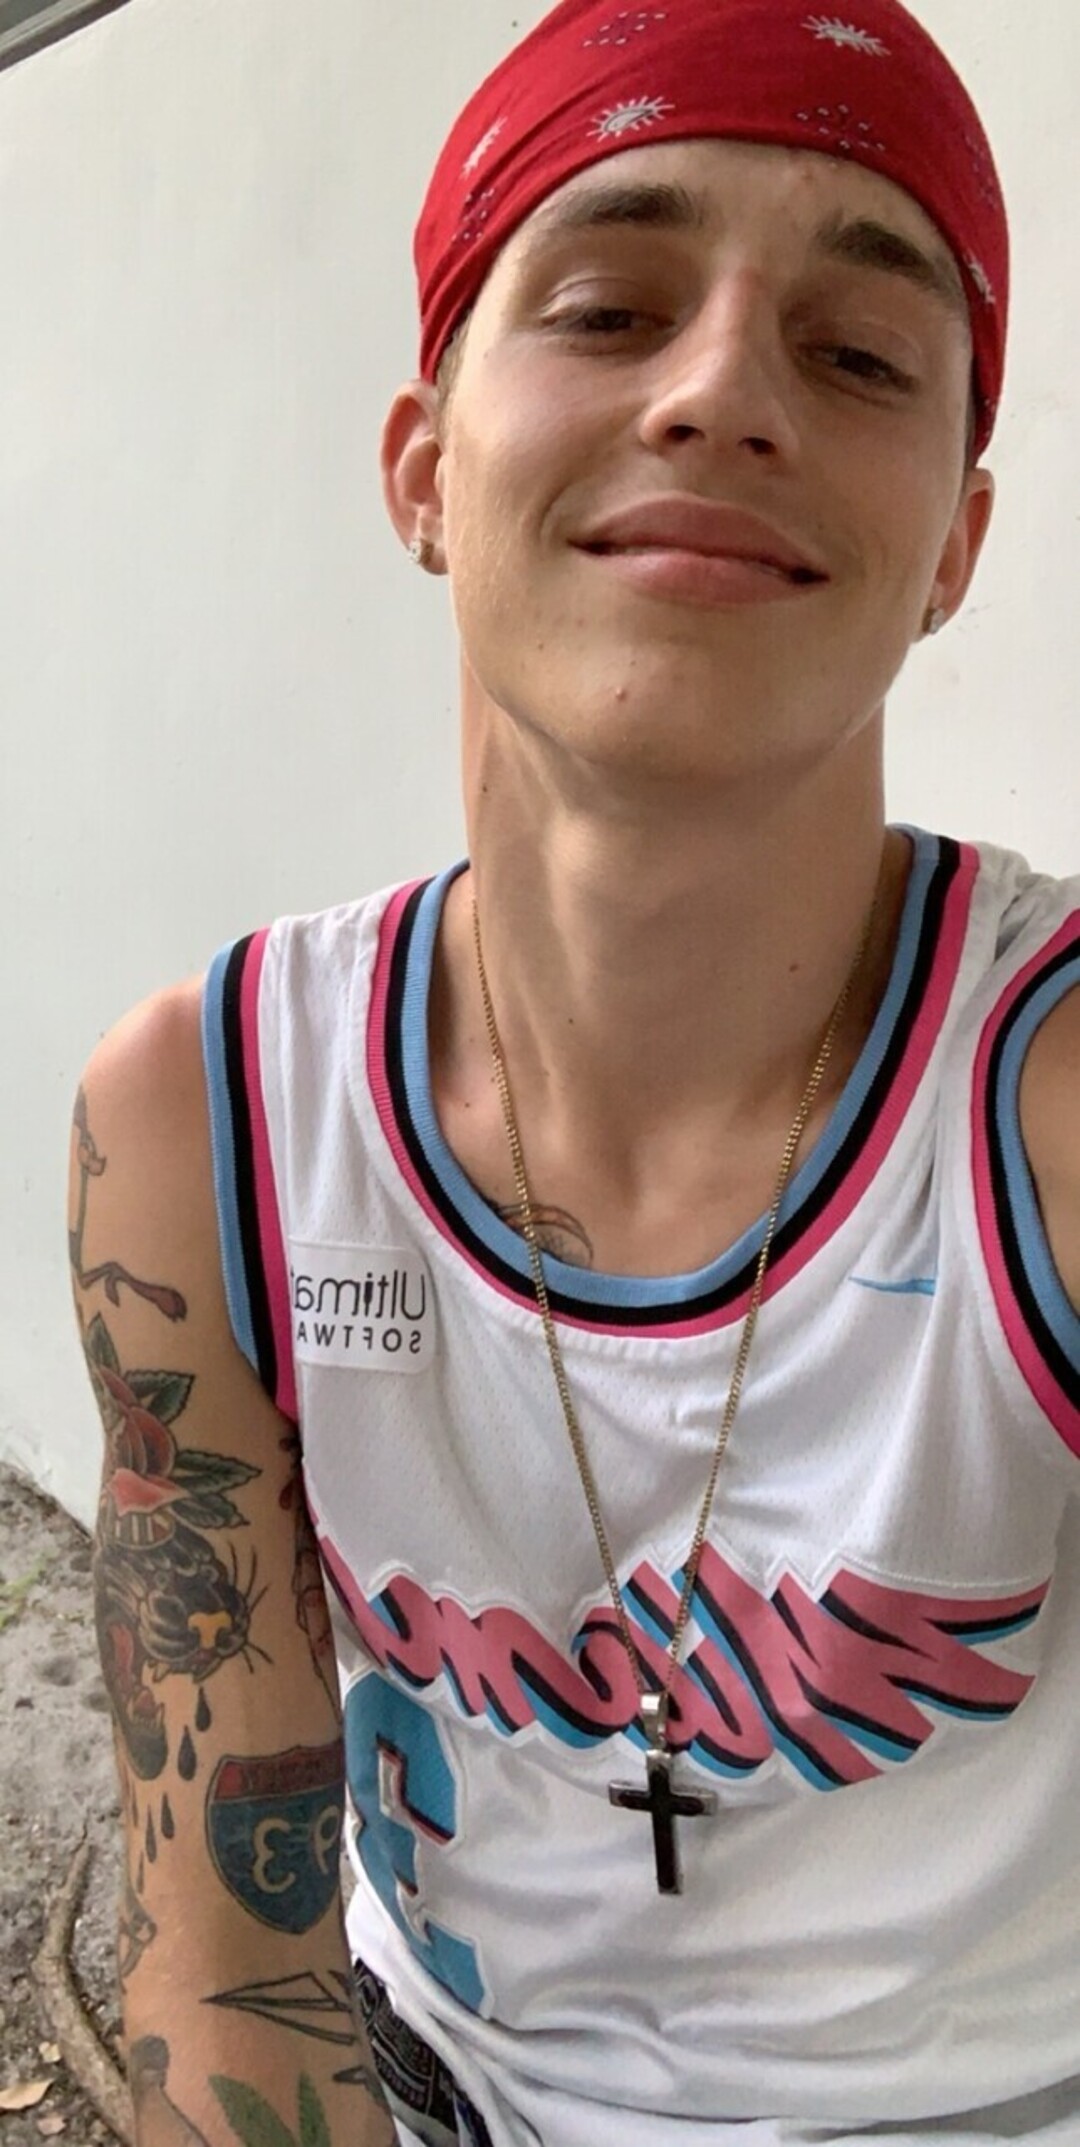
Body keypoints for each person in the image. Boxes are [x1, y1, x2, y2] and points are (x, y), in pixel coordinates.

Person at [68, 0, 1080, 2142]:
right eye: (611, 308)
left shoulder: (1046, 1116)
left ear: (956, 546)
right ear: (425, 469)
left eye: (858, 354)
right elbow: (229, 1962)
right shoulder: (206, 1130)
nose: (721, 392)